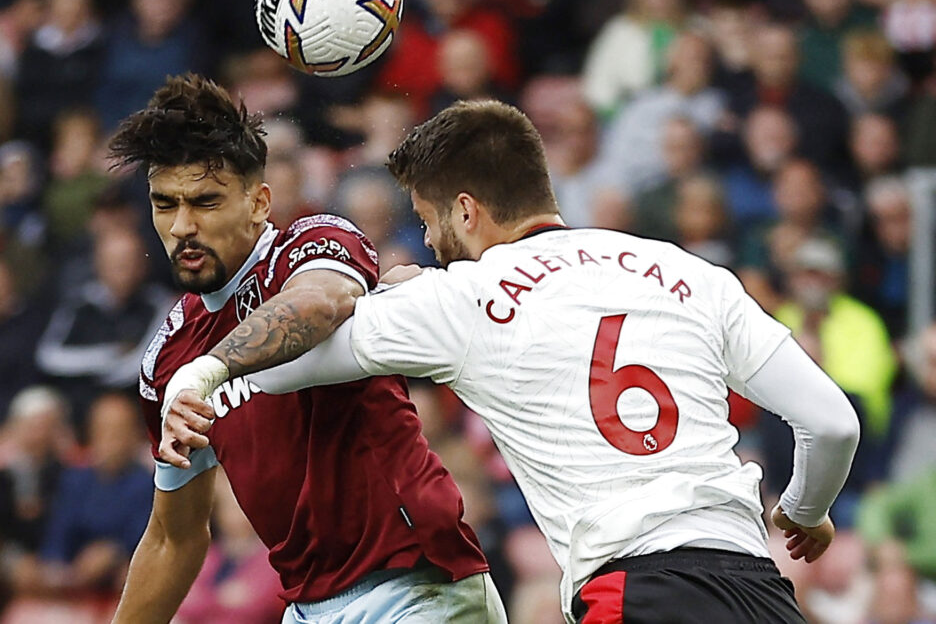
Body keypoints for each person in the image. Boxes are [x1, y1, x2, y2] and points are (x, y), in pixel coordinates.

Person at [163, 99, 862, 623]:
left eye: (431, 223)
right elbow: (832, 424)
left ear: (466, 211)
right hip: (760, 592)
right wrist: (806, 508)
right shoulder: (688, 271)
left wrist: (203, 375)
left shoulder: (463, 296)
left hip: (639, 594)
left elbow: (291, 360)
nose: (431, 243)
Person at [107, 74, 504, 624]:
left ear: (257, 201)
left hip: (417, 588)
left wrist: (208, 371)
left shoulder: (311, 244)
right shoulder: (168, 356)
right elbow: (174, 541)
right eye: (164, 204)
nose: (182, 227)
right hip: (306, 609)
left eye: (205, 202)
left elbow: (318, 304)